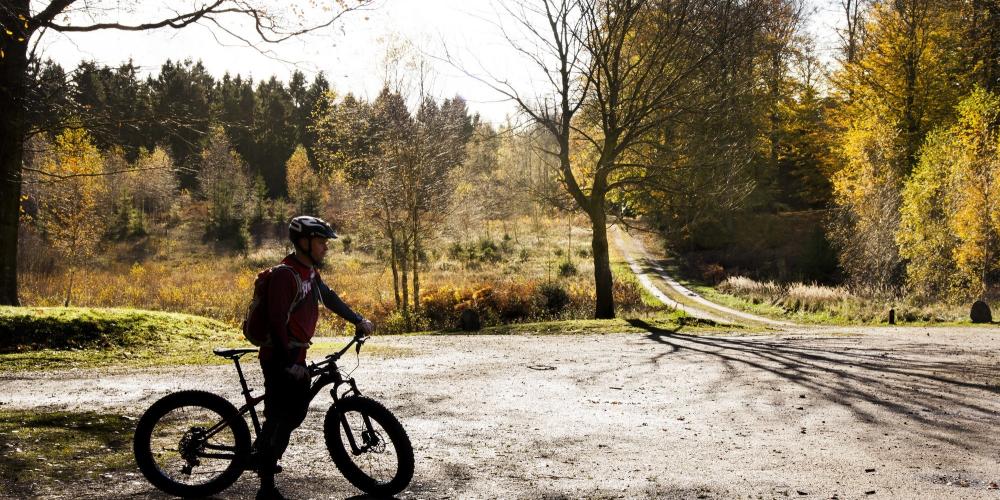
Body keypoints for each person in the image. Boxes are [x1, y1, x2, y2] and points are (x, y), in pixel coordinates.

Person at [254, 215, 374, 500]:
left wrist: (357, 319)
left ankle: (266, 457)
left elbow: (328, 297)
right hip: (280, 356)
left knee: (293, 413)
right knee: (280, 416)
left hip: (296, 353)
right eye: (321, 242)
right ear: (304, 243)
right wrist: (289, 364)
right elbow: (275, 321)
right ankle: (266, 485)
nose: (325, 247)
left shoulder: (308, 273)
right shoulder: (286, 274)